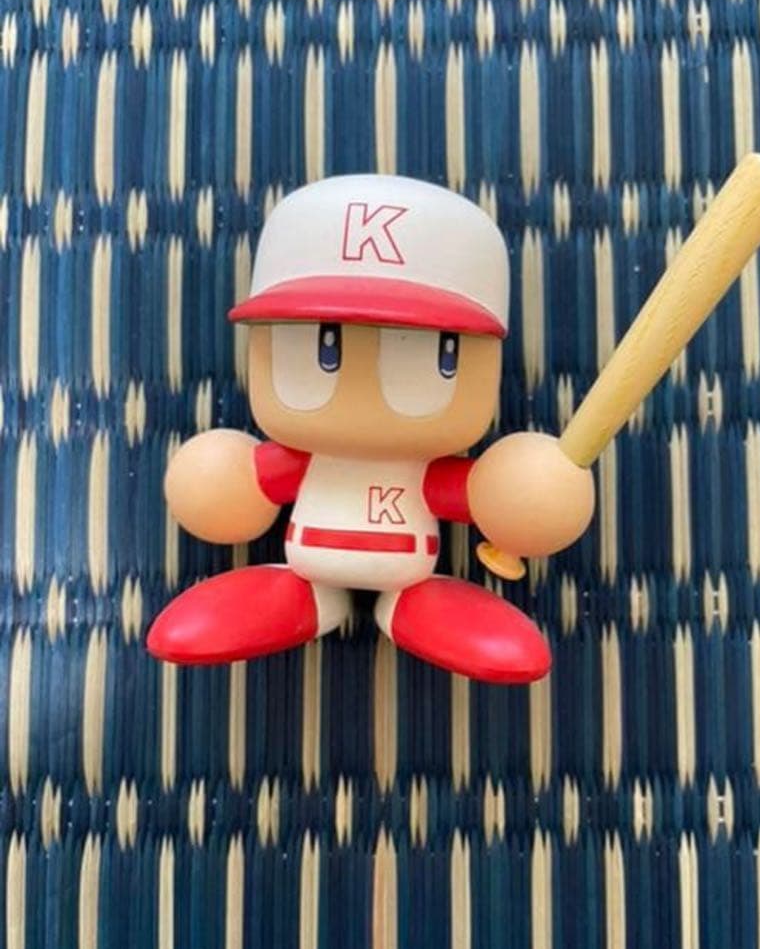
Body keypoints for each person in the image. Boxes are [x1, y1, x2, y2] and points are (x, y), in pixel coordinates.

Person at [147, 175, 594, 682]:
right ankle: (301, 600)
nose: (361, 389)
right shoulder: (302, 458)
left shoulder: (421, 469)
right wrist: (217, 482)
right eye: (323, 346)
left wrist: (530, 493)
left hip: (409, 578)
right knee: (276, 593)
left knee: (430, 604)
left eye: (431, 353)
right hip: (307, 570)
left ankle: (413, 611)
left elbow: (492, 495)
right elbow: (231, 485)